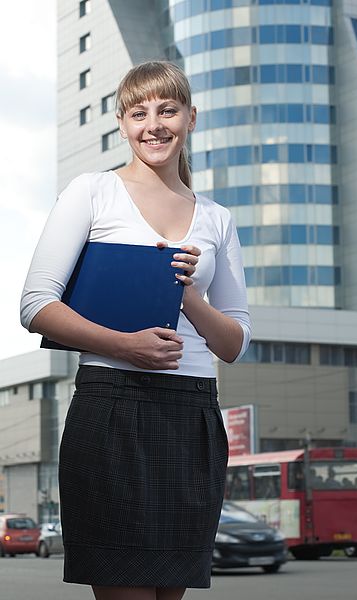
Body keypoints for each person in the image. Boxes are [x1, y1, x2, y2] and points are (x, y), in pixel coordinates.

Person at [20, 61, 251, 600]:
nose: (154, 124)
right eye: (139, 112)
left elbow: (234, 343)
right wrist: (126, 347)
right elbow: (35, 305)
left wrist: (187, 293)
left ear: (190, 118)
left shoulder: (218, 218)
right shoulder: (92, 192)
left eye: (168, 110)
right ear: (122, 124)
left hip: (192, 412)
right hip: (110, 410)